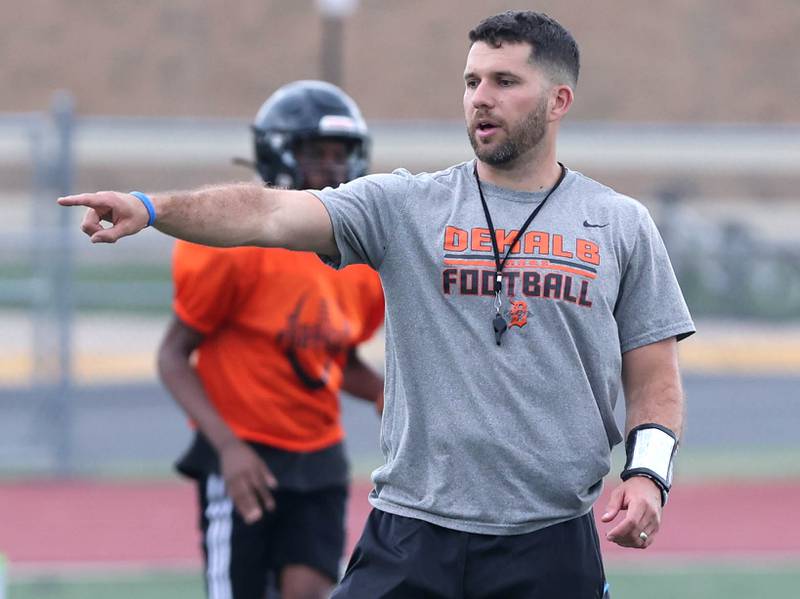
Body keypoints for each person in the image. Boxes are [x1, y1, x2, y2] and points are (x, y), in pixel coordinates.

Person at [60, 11, 695, 599]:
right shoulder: (405, 206)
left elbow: (655, 381)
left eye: (505, 81)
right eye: (472, 81)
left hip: (550, 540)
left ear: (559, 101)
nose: (481, 97)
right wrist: (153, 208)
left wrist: (648, 476)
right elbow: (270, 212)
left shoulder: (618, 225)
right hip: (413, 534)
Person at [156, 80, 386, 599]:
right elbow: (173, 355)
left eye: (340, 155)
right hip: (244, 454)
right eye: (317, 154)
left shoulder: (358, 257)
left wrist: (381, 392)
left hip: (320, 455)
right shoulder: (234, 249)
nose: (332, 168)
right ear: (279, 154)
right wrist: (228, 448)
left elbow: (333, 355)